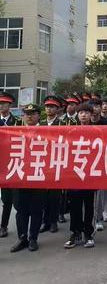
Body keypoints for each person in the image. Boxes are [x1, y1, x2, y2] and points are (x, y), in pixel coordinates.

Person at [10, 104, 47, 252]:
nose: (29, 116)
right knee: (21, 210)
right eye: (27, 113)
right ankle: (22, 238)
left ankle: (33, 238)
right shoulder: (15, 131)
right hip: (20, 176)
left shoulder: (47, 132)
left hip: (39, 176)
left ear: (39, 115)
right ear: (22, 116)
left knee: (36, 210)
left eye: (33, 113)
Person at [64, 103, 96, 249]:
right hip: (74, 173)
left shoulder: (97, 131)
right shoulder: (71, 131)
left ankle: (88, 233)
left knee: (89, 205)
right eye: (81, 112)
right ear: (77, 115)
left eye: (86, 112)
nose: (83, 115)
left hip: (90, 174)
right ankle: (75, 232)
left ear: (91, 115)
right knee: (75, 205)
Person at [39, 95, 63, 234]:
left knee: (54, 195)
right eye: (47, 106)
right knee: (42, 194)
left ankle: (53, 221)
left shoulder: (62, 124)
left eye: (52, 107)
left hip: (56, 162)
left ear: (57, 109)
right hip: (42, 162)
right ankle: (45, 221)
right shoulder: (40, 124)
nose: (49, 109)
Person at [0, 91, 22, 238]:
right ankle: (3, 226)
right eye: (0, 104)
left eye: (4, 104)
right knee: (5, 199)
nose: (1, 106)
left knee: (16, 200)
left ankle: (22, 230)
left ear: (10, 105)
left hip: (14, 163)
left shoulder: (19, 122)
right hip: (1, 165)